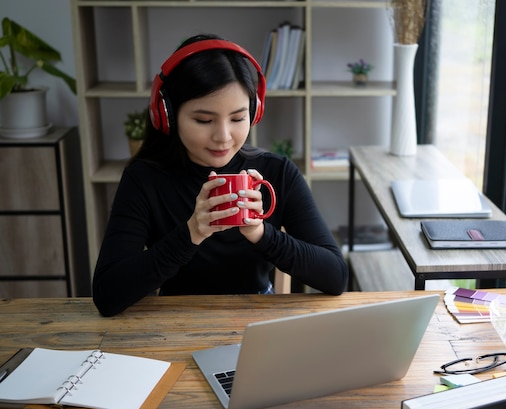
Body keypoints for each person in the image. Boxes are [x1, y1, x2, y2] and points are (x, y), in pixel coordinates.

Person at [92, 34, 348, 316]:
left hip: (257, 327)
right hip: (173, 325)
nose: (223, 137)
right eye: (204, 120)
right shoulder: (144, 180)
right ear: (167, 114)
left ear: (255, 112)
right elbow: (107, 295)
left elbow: (335, 276)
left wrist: (262, 234)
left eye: (238, 118)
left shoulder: (277, 172)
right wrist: (191, 233)